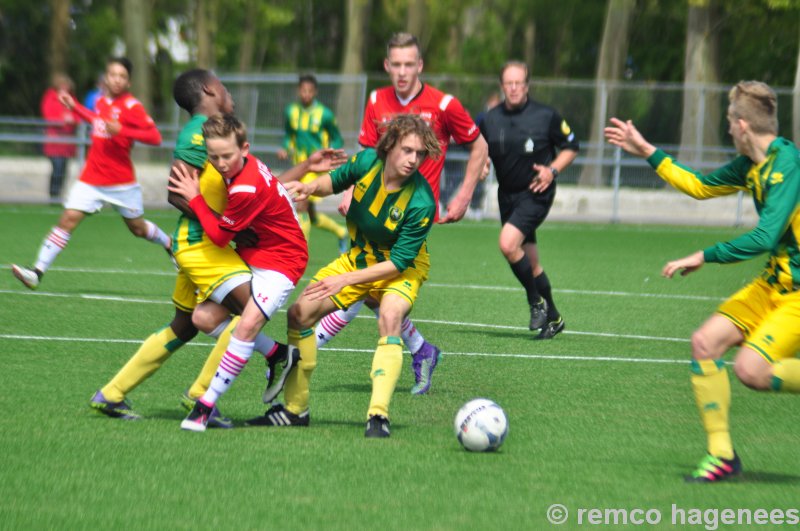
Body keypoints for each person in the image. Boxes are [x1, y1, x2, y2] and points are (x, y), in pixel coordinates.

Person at [604, 80, 800, 483]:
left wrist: (703, 255)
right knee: (704, 344)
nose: (727, 129)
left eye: (729, 121)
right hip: (772, 286)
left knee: (750, 370)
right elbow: (699, 185)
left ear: (742, 125)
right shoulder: (752, 166)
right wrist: (646, 150)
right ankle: (722, 456)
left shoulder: (788, 165)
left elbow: (765, 237)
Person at [88, 69, 294, 425]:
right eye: (224, 86)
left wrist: (304, 170)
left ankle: (111, 394)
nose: (229, 92)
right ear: (209, 89)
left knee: (184, 326)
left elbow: (253, 183)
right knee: (251, 312)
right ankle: (204, 395)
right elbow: (176, 192)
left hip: (200, 244)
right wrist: (225, 226)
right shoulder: (198, 132)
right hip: (202, 246)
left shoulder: (218, 135)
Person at [313, 32, 489, 395]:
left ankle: (303, 353)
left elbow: (479, 145)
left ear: (420, 65)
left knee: (359, 280)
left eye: (410, 64)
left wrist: (464, 194)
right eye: (397, 65)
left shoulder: (444, 104)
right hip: (374, 209)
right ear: (387, 66)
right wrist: (349, 192)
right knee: (373, 290)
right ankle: (422, 350)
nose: (403, 72)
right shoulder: (377, 99)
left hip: (412, 215)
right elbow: (366, 153)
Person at [246, 114, 441, 438]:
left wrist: (347, 280)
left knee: (390, 316)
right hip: (359, 257)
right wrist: (309, 185)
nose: (413, 160)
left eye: (420, 154)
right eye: (407, 150)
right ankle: (295, 411)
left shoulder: (421, 200)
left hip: (401, 269)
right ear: (390, 145)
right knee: (299, 314)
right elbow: (333, 181)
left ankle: (378, 416)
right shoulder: (366, 162)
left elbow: (398, 262)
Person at [171, 113, 344, 432]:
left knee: (246, 325)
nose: (220, 163)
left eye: (227, 156)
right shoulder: (241, 168)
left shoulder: (245, 186)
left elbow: (220, 235)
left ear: (245, 149)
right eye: (214, 157)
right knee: (203, 318)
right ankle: (278, 353)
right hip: (254, 253)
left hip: (282, 262)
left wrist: (194, 199)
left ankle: (204, 406)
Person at [12, 57, 171, 290]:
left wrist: (123, 130)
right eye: (112, 74)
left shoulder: (132, 107)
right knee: (67, 220)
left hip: (121, 183)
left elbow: (155, 137)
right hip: (91, 179)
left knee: (137, 228)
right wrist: (75, 107)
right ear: (106, 77)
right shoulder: (101, 101)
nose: (116, 79)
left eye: (122, 76)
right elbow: (97, 122)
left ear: (128, 82)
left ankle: (169, 244)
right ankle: (36, 272)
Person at [479, 61, 578, 339]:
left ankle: (536, 302)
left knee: (507, 244)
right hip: (506, 195)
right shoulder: (490, 118)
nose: (513, 88)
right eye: (508, 83)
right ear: (502, 86)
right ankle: (555, 318)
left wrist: (552, 170)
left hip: (536, 192)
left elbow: (572, 146)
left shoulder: (545, 116)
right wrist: (483, 162)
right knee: (531, 264)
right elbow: (480, 145)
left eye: (518, 83)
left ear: (527, 85)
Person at [277, 74, 348, 253]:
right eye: (303, 90)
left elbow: (338, 138)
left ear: (315, 92)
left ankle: (299, 251)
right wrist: (285, 148)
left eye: (309, 91)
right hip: (299, 166)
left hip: (316, 170)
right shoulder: (291, 111)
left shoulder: (325, 114)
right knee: (312, 216)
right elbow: (288, 135)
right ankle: (341, 232)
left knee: (300, 204)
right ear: (298, 91)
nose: (306, 94)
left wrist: (331, 153)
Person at [40, 73, 78, 200]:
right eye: (62, 85)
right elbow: (48, 115)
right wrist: (62, 120)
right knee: (57, 168)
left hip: (67, 142)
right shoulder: (50, 97)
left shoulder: (71, 99)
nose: (65, 88)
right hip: (54, 141)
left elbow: (79, 114)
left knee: (64, 170)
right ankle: (53, 195)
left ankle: (59, 194)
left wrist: (73, 120)